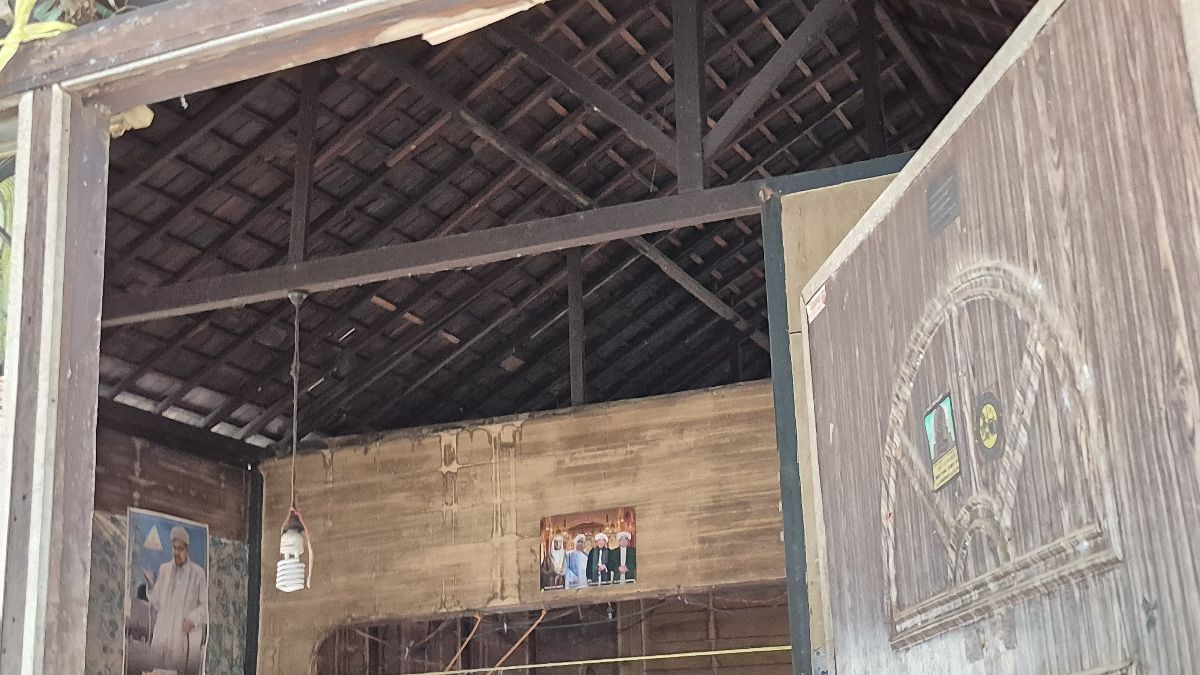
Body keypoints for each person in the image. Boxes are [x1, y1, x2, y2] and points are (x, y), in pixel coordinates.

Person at [144, 525, 208, 675]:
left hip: (180, 635)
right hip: (162, 632)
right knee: (156, 670)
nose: (177, 552)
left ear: (187, 549)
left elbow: (205, 606)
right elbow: (156, 601)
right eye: (174, 548)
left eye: (180, 548)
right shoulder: (164, 569)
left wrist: (192, 620)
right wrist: (151, 585)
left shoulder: (197, 573)